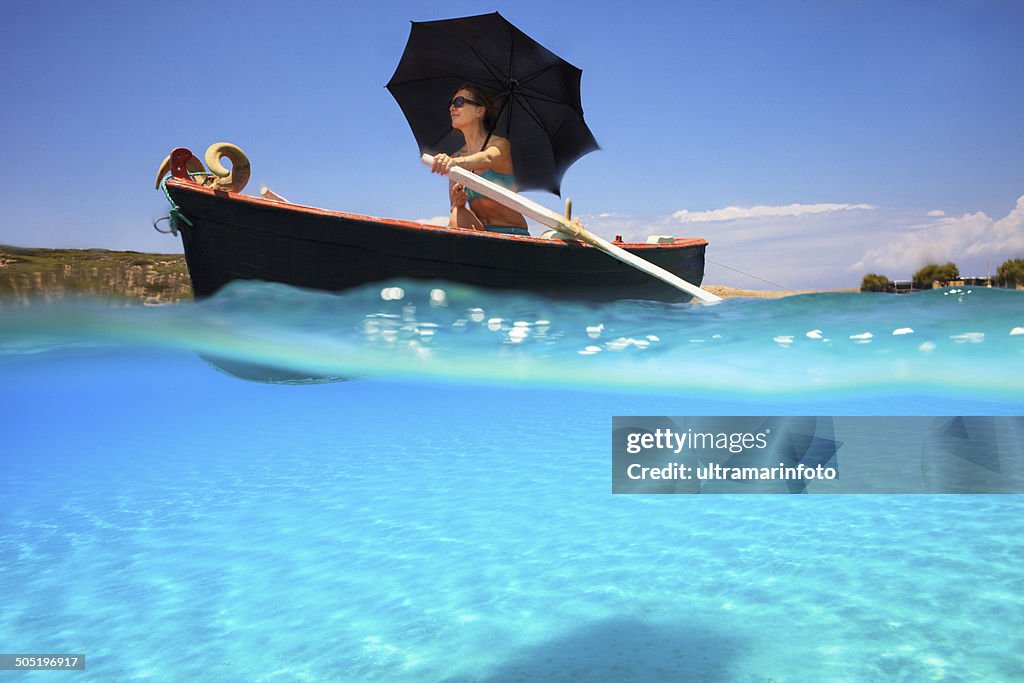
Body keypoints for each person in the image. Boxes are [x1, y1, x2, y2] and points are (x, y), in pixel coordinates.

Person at [430, 85, 529, 236]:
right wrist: (458, 203)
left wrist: (454, 163)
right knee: (457, 213)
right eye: (451, 103)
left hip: (513, 232)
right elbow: (454, 209)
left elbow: (487, 158)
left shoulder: (500, 145)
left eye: (459, 102)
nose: (451, 108)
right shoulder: (455, 157)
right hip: (482, 232)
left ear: (479, 111)